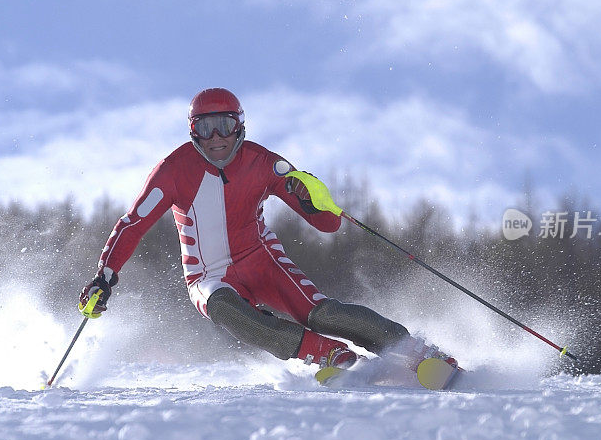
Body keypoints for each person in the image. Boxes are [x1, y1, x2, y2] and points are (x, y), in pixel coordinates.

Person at [79, 88, 456, 372]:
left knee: (320, 313)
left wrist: (308, 196)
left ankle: (417, 353)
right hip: (209, 276)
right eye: (204, 128)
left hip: (262, 260)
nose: (216, 138)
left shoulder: (264, 163)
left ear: (239, 125)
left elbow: (328, 223)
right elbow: (133, 225)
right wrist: (104, 277)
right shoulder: (173, 171)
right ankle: (330, 356)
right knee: (226, 310)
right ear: (192, 131)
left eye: (224, 125)